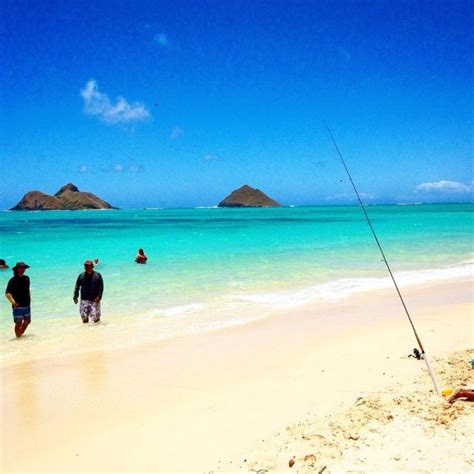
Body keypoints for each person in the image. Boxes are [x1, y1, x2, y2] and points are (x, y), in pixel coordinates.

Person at [5, 261, 31, 337]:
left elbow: (27, 290)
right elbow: (7, 293)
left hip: (26, 304)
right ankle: (18, 337)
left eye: (23, 268)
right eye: (20, 268)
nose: (22, 269)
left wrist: (30, 300)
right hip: (17, 305)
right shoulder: (12, 280)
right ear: (16, 269)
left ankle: (20, 335)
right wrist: (13, 302)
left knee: (27, 321)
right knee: (18, 323)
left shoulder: (27, 278)